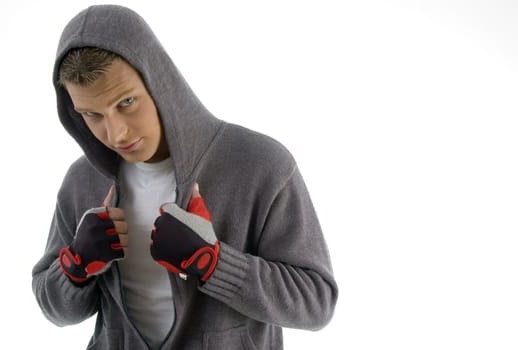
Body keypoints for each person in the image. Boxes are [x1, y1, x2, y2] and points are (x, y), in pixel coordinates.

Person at [32, 4, 338, 350]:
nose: (116, 133)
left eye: (127, 102)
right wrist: (75, 265)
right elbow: (55, 311)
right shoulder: (82, 180)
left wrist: (213, 262)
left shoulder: (260, 165)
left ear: (159, 81)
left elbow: (316, 303)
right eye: (92, 114)